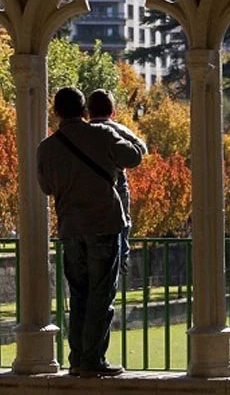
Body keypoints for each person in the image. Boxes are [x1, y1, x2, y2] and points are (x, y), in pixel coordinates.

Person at [37, 87, 146, 378]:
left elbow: (46, 187)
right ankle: (93, 360)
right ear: (84, 111)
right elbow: (135, 156)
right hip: (104, 225)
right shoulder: (102, 135)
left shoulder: (46, 148)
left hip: (70, 229)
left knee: (79, 294)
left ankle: (76, 359)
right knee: (101, 295)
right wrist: (115, 127)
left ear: (57, 111)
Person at [86, 89, 148, 275]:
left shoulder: (83, 132)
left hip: (90, 186)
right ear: (112, 113)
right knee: (123, 220)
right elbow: (141, 148)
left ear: (88, 111)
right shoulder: (116, 129)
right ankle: (121, 259)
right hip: (116, 183)